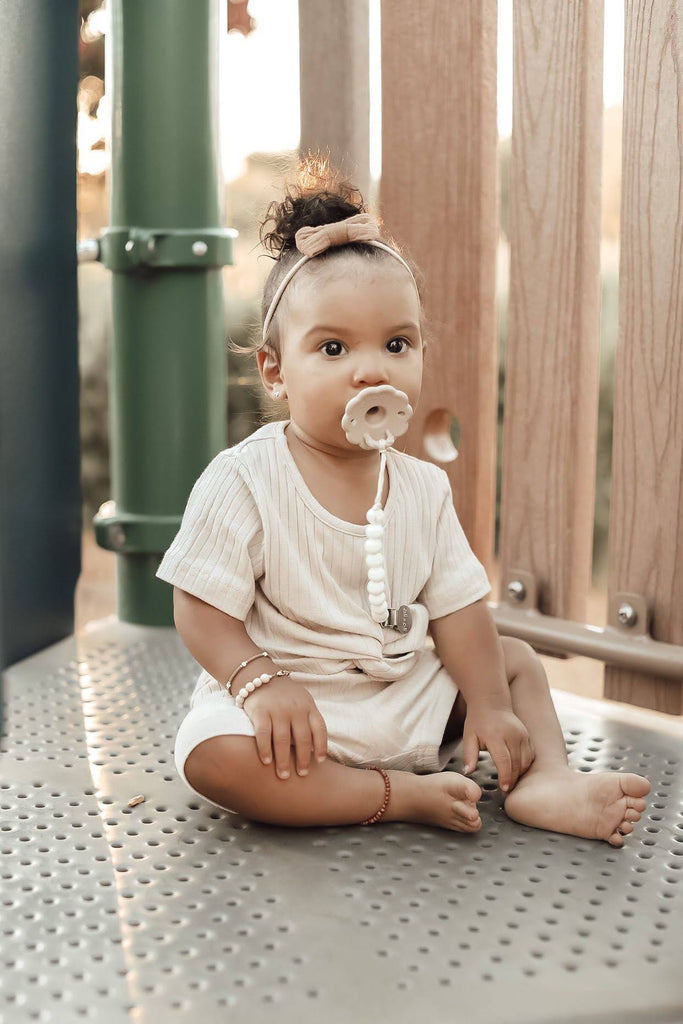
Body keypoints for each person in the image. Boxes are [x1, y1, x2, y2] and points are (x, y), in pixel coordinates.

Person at [156, 156, 650, 843]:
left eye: (395, 344)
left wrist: (488, 704)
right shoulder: (244, 479)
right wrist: (258, 682)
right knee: (212, 757)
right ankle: (389, 794)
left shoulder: (421, 486)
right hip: (295, 709)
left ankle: (544, 780)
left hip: (400, 694)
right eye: (331, 348)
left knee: (512, 663)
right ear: (274, 371)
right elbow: (201, 608)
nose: (370, 369)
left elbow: (456, 607)